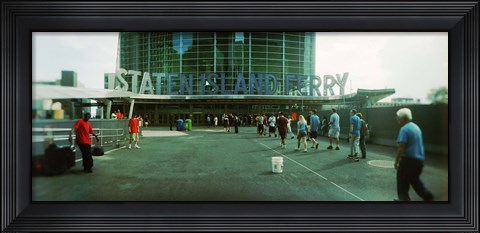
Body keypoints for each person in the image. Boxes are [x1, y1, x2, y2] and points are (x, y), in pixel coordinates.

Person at [394, 108, 434, 201]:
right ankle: (427, 195)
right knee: (414, 180)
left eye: (398, 117)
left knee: (402, 181)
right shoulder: (416, 127)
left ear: (403, 118)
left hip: (408, 160)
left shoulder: (404, 129)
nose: (397, 119)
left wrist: (396, 162)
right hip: (419, 161)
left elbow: (401, 146)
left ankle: (403, 199)